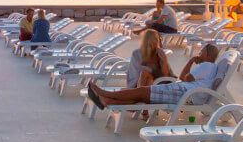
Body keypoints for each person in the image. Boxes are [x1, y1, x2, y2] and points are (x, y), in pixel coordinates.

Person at [87, 43, 226, 110]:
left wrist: (190, 61)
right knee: (141, 96)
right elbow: (185, 78)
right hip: (186, 92)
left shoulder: (206, 65)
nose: (198, 53)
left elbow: (184, 77)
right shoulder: (211, 68)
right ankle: (106, 101)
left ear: (207, 55)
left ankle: (102, 92)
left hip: (185, 93)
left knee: (142, 92)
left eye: (201, 51)